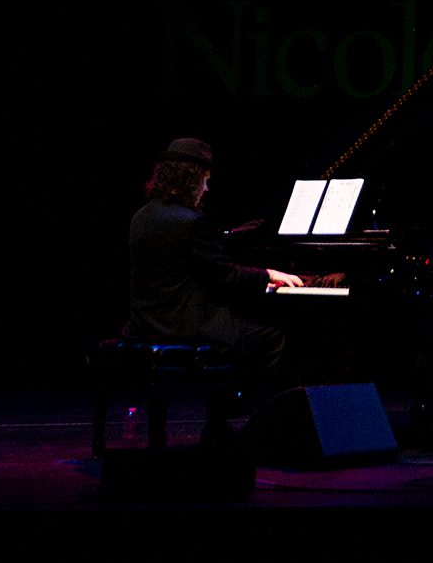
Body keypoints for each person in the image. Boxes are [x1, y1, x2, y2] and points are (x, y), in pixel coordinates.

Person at [126, 137, 304, 386]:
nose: (207, 189)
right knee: (273, 338)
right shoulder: (190, 222)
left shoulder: (142, 216)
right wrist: (267, 274)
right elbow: (225, 276)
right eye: (205, 180)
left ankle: (224, 413)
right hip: (186, 327)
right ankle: (256, 412)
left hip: (145, 325)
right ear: (192, 179)